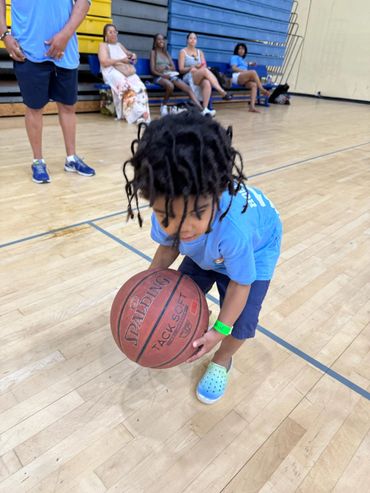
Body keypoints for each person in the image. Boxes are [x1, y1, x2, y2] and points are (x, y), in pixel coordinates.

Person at [123, 112, 282, 404]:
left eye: (196, 213)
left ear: (217, 194)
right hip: (214, 245)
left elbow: (240, 285)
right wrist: (147, 284)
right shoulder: (169, 201)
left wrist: (219, 331)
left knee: (241, 321)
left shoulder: (234, 230)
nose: (182, 226)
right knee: (176, 291)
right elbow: (168, 247)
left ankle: (222, 362)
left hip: (257, 247)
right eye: (166, 215)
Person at [0, 0, 96, 184]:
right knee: (34, 108)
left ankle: (72, 158)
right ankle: (38, 161)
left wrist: (65, 35)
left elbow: (83, 3)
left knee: (68, 106)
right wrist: (4, 35)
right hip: (28, 50)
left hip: (65, 50)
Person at [98, 24, 150, 125]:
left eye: (115, 31)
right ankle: (138, 114)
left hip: (124, 71)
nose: (113, 34)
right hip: (111, 71)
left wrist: (133, 56)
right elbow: (104, 62)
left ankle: (144, 116)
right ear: (105, 35)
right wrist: (121, 60)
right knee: (126, 86)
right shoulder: (103, 45)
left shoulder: (119, 45)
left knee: (140, 87)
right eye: (110, 32)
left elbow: (128, 54)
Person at [178, 32, 233, 117]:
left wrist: (198, 68)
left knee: (207, 82)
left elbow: (204, 66)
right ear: (187, 40)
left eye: (195, 38)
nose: (193, 40)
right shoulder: (183, 52)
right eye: (190, 38)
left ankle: (205, 109)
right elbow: (181, 69)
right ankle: (222, 92)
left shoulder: (200, 52)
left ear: (197, 41)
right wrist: (191, 68)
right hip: (188, 75)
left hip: (199, 74)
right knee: (204, 72)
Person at [150, 33, 203, 116]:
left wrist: (166, 67)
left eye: (162, 39)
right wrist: (162, 74)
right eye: (159, 39)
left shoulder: (166, 53)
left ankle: (201, 110)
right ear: (155, 41)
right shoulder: (153, 53)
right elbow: (153, 70)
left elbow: (173, 68)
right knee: (170, 86)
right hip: (159, 77)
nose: (161, 41)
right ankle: (164, 106)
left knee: (188, 88)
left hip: (171, 75)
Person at [230, 43, 270, 113]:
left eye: (243, 49)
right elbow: (234, 68)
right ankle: (261, 89)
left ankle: (252, 107)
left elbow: (245, 64)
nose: (241, 50)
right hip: (237, 77)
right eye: (239, 48)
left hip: (244, 79)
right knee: (253, 72)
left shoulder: (243, 60)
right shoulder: (234, 57)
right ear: (237, 50)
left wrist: (250, 64)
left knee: (254, 85)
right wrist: (245, 71)